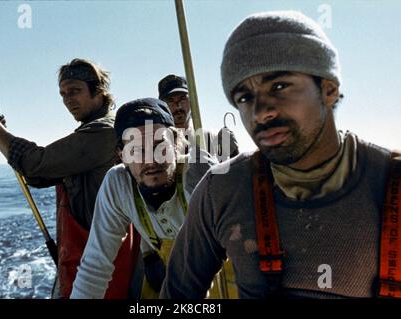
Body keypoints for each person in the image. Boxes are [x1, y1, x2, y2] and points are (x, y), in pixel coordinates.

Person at [161, 11, 401, 299]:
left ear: (329, 89)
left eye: (279, 86)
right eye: (244, 97)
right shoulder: (222, 190)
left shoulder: (391, 184)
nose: (261, 112)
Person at [0, 58, 141, 299]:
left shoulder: (104, 133)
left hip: (102, 266)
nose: (68, 99)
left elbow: (35, 165)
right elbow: (39, 176)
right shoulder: (89, 132)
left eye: (75, 91)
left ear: (98, 91)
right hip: (80, 259)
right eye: (63, 94)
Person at [70, 98, 214, 298]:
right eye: (137, 150)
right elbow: (95, 266)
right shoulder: (118, 184)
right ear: (122, 155)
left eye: (160, 146)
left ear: (177, 145)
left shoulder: (199, 174)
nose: (151, 160)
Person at [158, 74, 239, 162]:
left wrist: (233, 156)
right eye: (170, 100)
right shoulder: (156, 143)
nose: (178, 105)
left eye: (183, 98)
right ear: (162, 106)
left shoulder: (211, 138)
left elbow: (230, 173)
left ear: (192, 102)